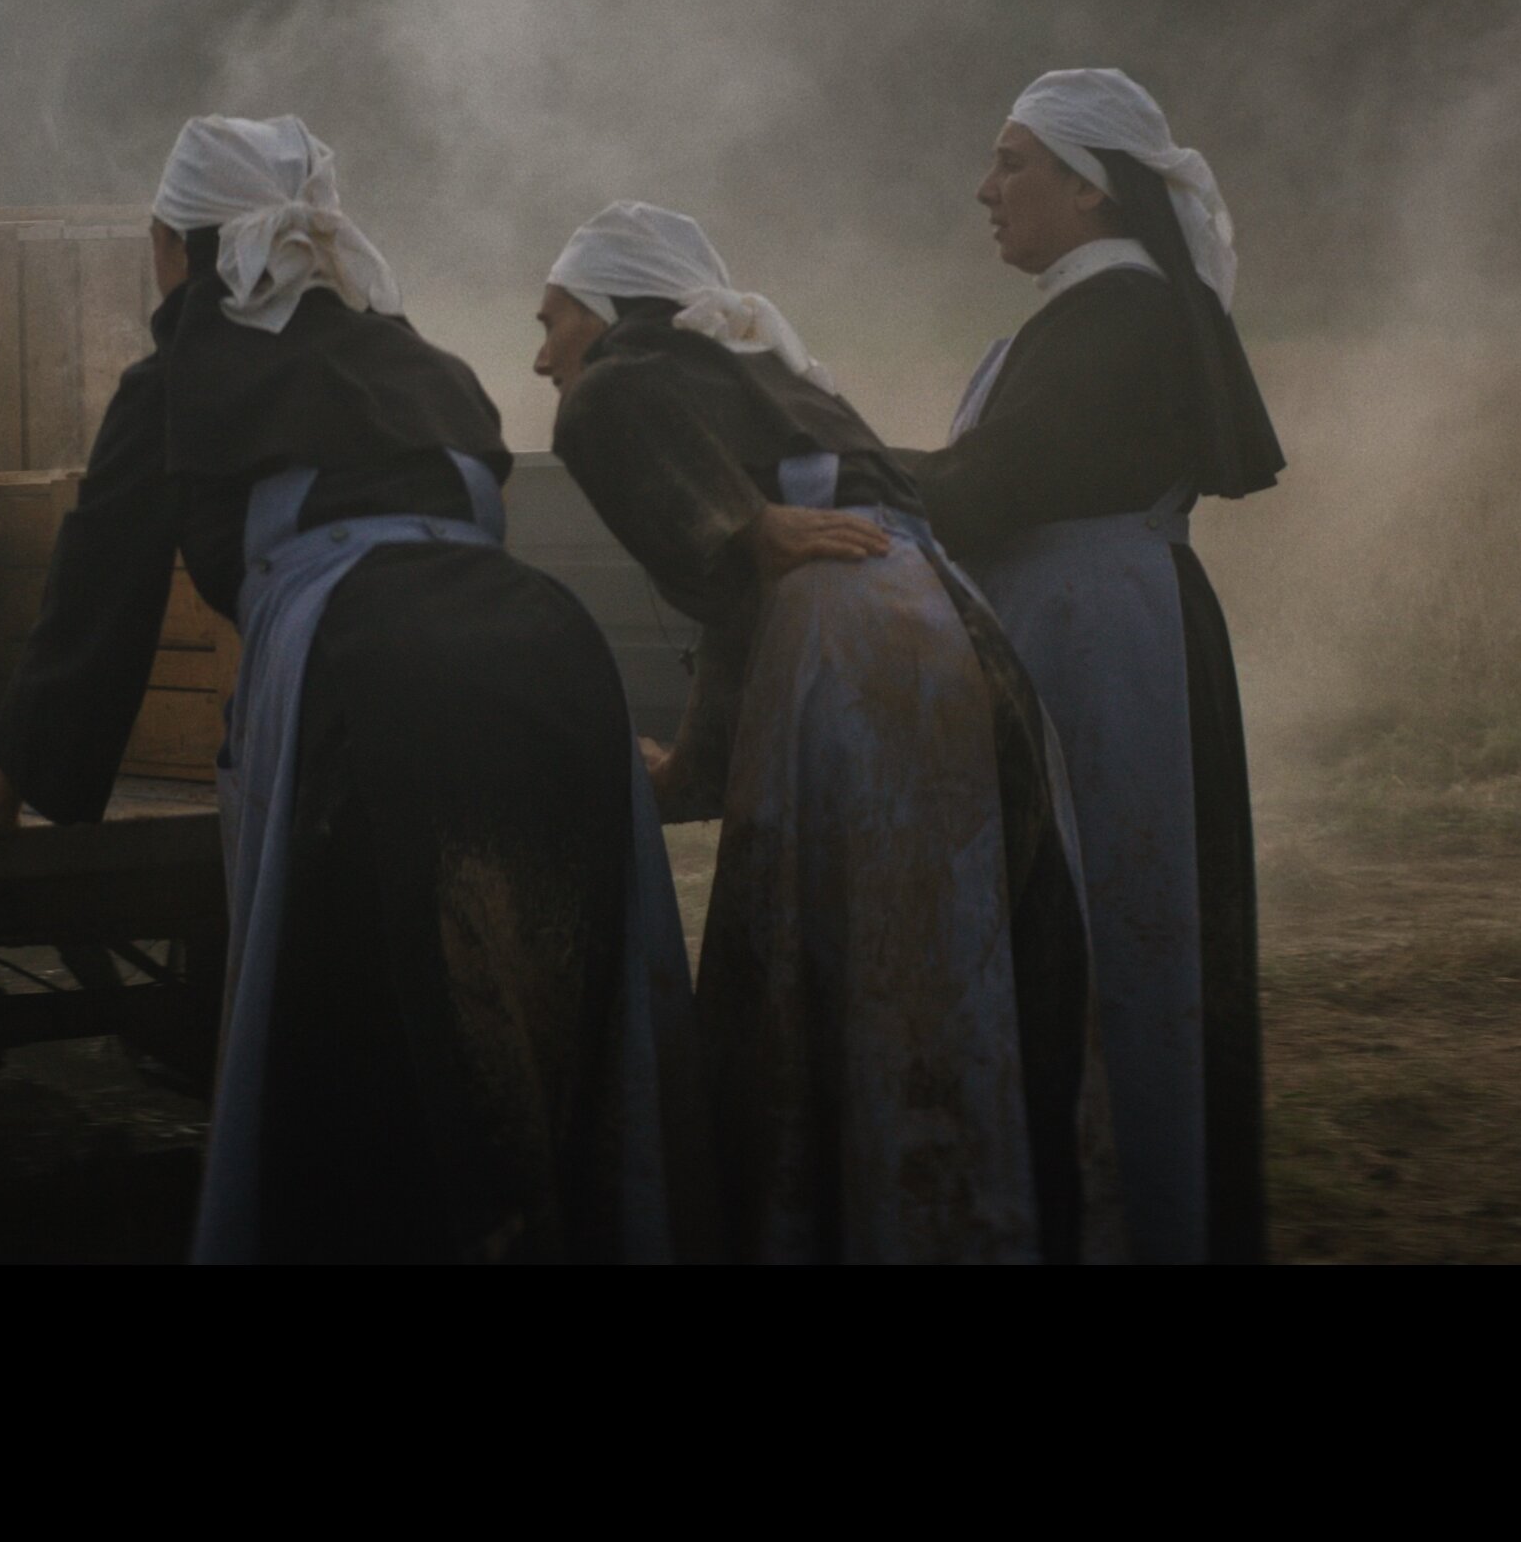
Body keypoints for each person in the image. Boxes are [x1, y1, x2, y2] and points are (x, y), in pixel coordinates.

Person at [0, 117, 705, 1263]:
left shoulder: (178, 380)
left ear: (173, 246)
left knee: (365, 1038)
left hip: (366, 672)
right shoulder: (427, 366)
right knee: (570, 994)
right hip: (556, 652)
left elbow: (95, 602)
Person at [536, 202, 1097, 1263]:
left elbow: (734, 545)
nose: (541, 358)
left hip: (856, 657)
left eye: (552, 320)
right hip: (960, 627)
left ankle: (879, 1223)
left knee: (867, 967)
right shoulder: (766, 373)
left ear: (606, 312)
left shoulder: (623, 377)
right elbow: (749, 594)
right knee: (968, 947)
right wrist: (697, 763)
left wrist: (741, 528)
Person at [906, 69, 1285, 1266]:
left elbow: (989, 488)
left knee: (1111, 920)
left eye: (1012, 163)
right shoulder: (1094, 313)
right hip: (1089, 629)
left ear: (1090, 188)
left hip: (1106, 652)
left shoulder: (1118, 318)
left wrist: (822, 459)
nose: (986, 189)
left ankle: (1128, 1219)